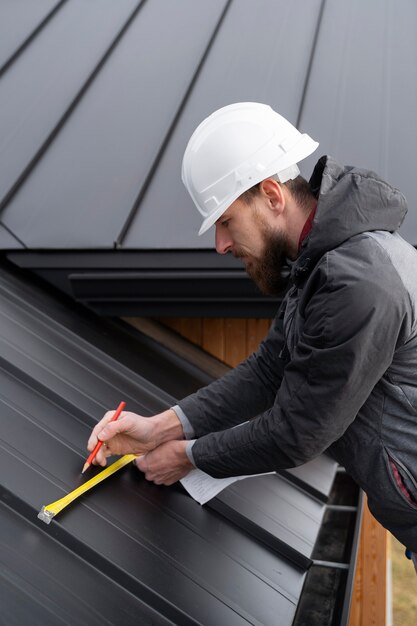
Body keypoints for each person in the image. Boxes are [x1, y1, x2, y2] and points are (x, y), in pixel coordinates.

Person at [87, 102, 417, 566]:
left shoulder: (358, 282)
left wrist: (189, 456)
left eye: (225, 222)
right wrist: (157, 428)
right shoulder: (322, 262)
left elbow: (297, 433)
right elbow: (267, 371)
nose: (220, 245)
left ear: (271, 195)